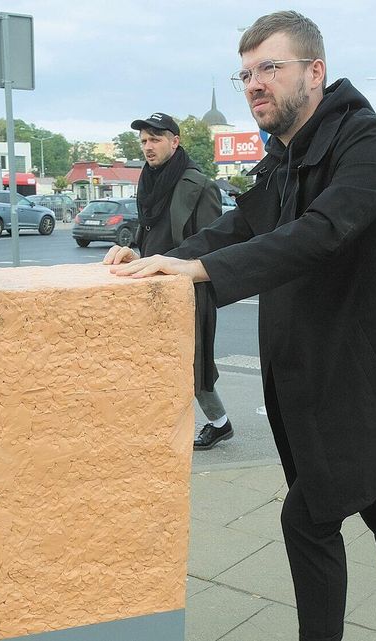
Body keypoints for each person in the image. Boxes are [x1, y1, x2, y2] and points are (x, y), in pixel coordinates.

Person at [105, 11, 376, 641]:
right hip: (319, 377)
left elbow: (320, 233)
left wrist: (201, 271)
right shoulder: (286, 156)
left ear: (315, 72)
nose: (255, 83)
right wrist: (163, 259)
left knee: (310, 519)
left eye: (270, 68)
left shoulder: (368, 143)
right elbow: (243, 224)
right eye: (245, 74)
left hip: (373, 381)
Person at [126, 111, 233, 450]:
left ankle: (218, 423)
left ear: (175, 141)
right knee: (160, 358)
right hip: (152, 281)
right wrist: (134, 254)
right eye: (143, 140)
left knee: (193, 362)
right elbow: (146, 233)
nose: (148, 146)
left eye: (155, 138)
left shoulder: (198, 185)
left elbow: (213, 241)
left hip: (189, 287)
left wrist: (177, 266)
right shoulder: (148, 179)